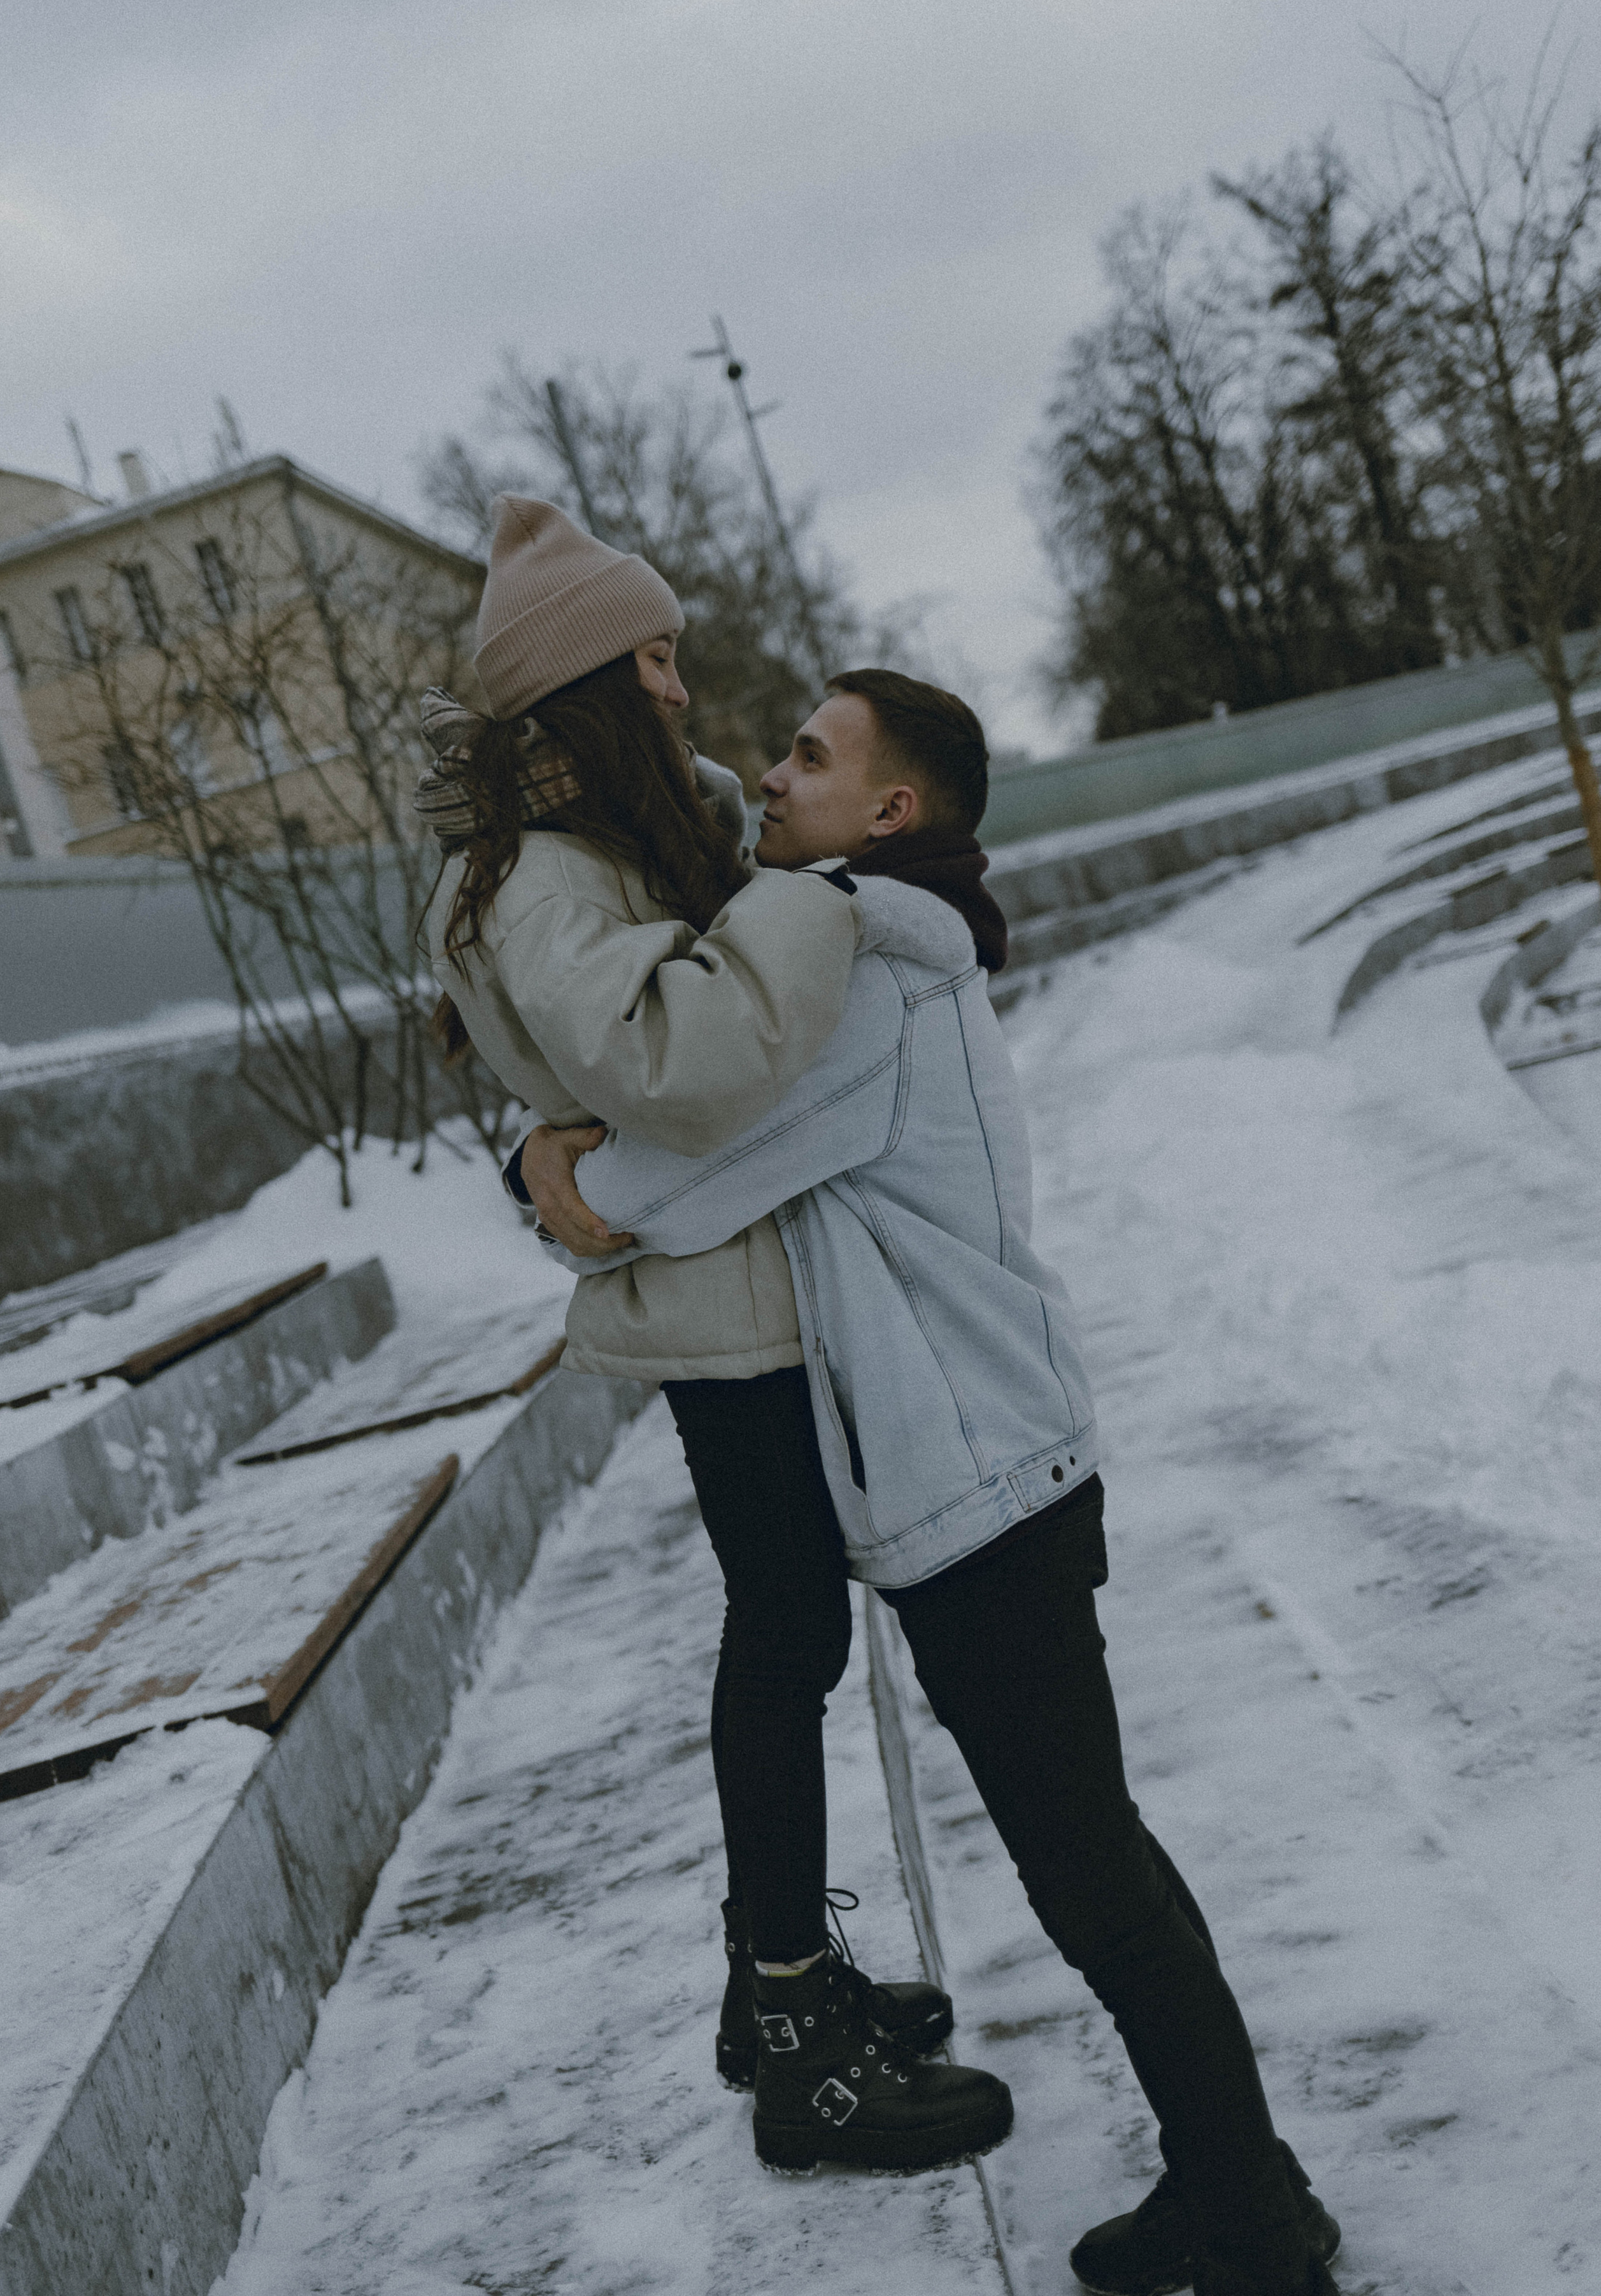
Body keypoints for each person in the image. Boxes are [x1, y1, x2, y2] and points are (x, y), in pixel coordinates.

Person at [522, 668, 1342, 2296]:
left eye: (809, 757)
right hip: (992, 1468)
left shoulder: (864, 974)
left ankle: (1252, 2215)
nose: (770, 771)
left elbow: (655, 1189)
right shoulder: (862, 941)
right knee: (1096, 1850)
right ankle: (1238, 2183)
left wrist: (540, 1165)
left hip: (983, 1488)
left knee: (1087, 1874)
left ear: (888, 813)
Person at [418, 495, 1009, 2181]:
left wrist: (787, 850)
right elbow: (681, 1060)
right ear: (590, 687)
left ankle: (780, 1991)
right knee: (786, 1634)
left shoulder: (625, 836)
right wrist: (817, 892)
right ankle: (791, 2032)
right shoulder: (546, 877)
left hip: (746, 1279)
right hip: (708, 1309)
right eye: (654, 660)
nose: (683, 691)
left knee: (792, 1628)